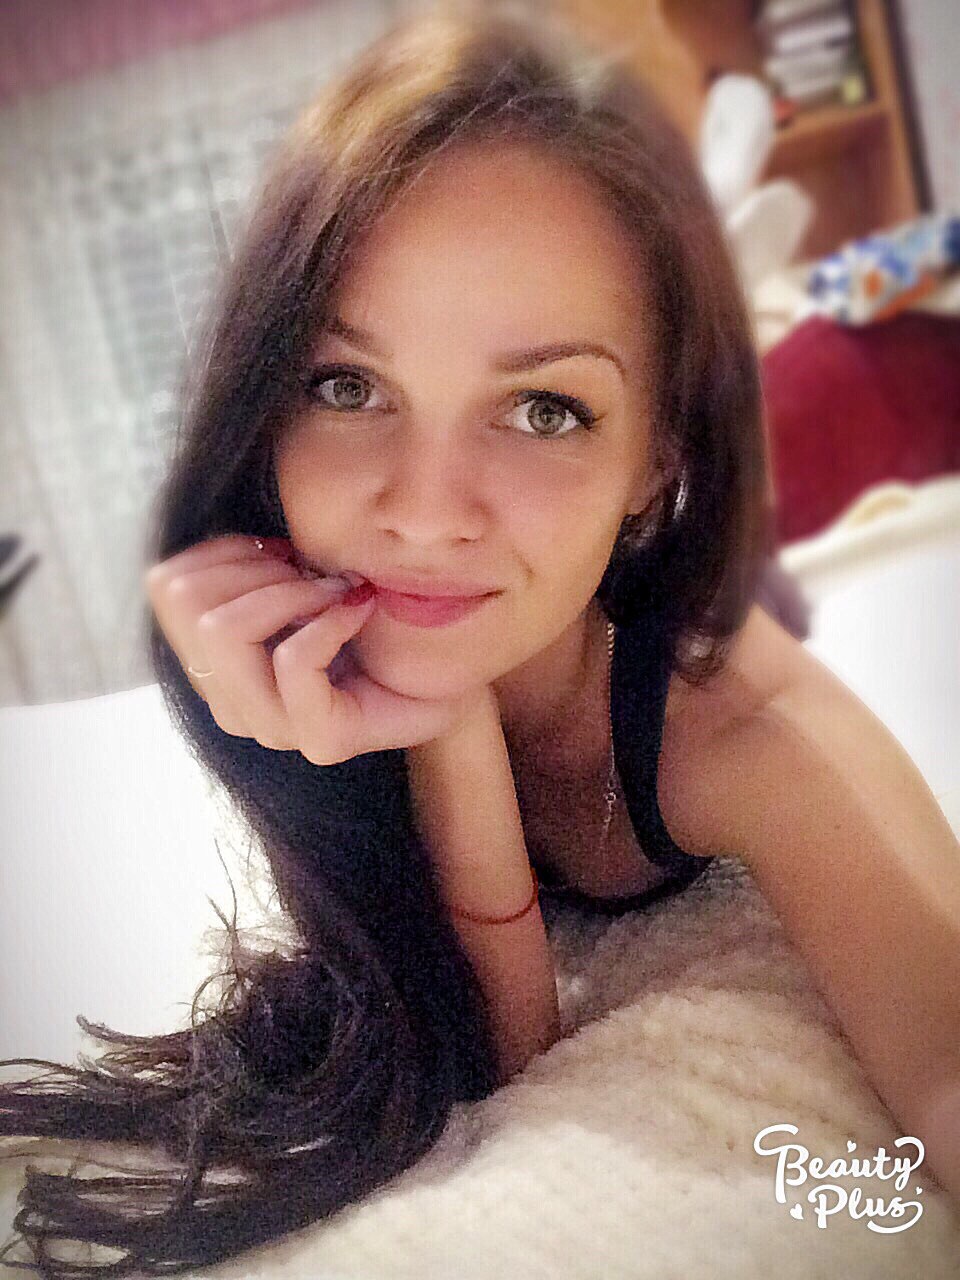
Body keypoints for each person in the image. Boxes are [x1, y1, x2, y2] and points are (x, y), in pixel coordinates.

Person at [2, 2, 958, 1274]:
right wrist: (442, 708)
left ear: (655, 460)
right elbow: (484, 1035)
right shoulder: (312, 631)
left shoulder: (740, 733)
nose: (422, 513)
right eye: (348, 386)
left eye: (544, 408)